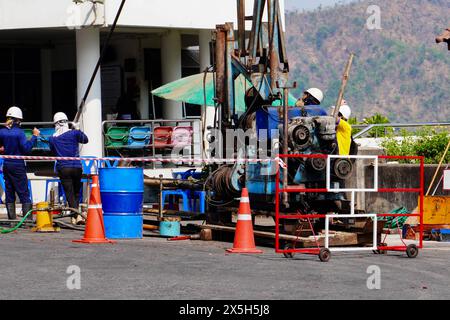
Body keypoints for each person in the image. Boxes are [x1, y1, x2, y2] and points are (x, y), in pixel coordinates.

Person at [48, 112, 89, 225]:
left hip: (63, 168)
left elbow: (53, 152)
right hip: (76, 167)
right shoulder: (74, 133)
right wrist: (78, 129)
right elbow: (85, 139)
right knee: (76, 192)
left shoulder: (52, 139)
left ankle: (75, 216)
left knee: (69, 193)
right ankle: (76, 216)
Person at [0, 106, 39, 221]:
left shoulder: (2, 132)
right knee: (23, 192)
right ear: (18, 120)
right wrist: (34, 137)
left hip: (7, 165)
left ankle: (12, 220)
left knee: (10, 191)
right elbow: (26, 149)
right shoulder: (19, 133)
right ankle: (27, 221)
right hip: (18, 166)